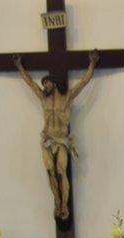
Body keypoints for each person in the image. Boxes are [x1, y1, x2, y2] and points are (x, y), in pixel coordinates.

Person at [13, 50, 99, 220]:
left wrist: (92, 63)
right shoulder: (43, 99)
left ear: (54, 83)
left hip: (61, 141)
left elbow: (84, 81)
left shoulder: (67, 97)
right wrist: (19, 66)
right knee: (50, 171)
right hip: (47, 140)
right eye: (43, 84)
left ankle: (64, 205)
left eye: (47, 83)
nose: (44, 86)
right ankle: (56, 203)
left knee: (61, 171)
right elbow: (29, 82)